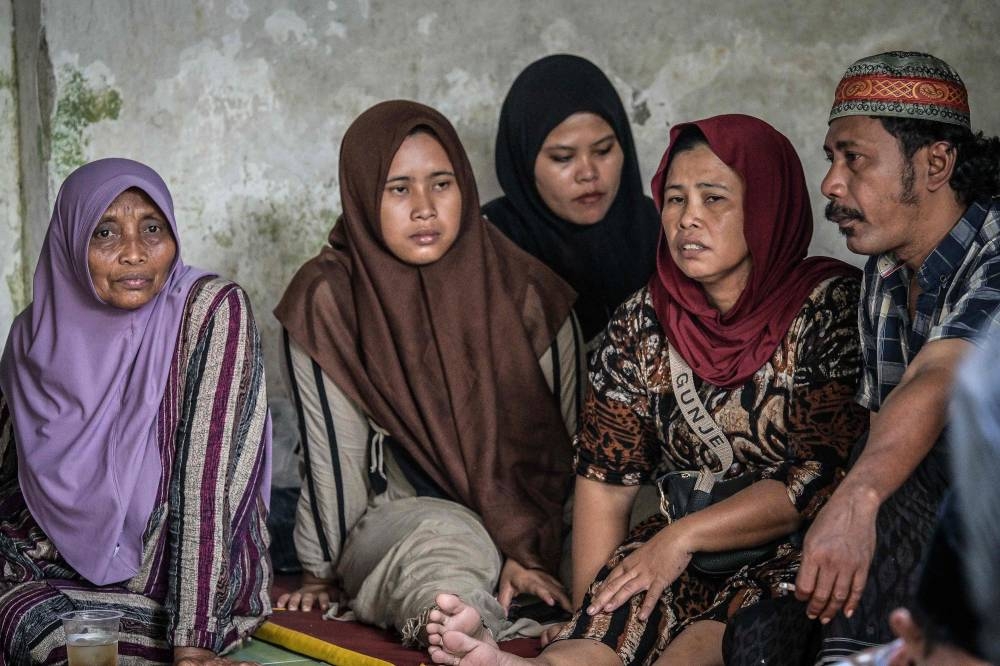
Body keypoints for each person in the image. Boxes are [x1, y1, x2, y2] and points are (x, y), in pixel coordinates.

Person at [425, 114, 866, 666]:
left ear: (767, 206)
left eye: (713, 199)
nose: (688, 220)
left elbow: (816, 478)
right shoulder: (643, 320)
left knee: (706, 643)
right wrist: (592, 613)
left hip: (792, 551)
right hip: (675, 546)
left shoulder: (830, 310)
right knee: (611, 626)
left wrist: (680, 539)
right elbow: (606, 480)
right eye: (676, 200)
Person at [272, 100, 583, 646]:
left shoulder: (529, 293)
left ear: (465, 184)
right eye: (398, 189)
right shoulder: (330, 300)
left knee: (650, 517)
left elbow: (578, 451)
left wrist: (533, 551)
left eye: (441, 184)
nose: (424, 208)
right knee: (446, 544)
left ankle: (520, 594)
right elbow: (334, 460)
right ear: (364, 197)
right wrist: (319, 571)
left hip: (539, 515)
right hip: (406, 513)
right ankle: (455, 622)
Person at [0, 159, 273, 665]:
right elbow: (10, 476)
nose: (134, 252)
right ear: (70, 243)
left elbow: (207, 485)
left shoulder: (211, 311)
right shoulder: (32, 335)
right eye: (105, 232)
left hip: (173, 579)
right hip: (45, 561)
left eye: (152, 228)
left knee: (55, 643)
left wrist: (194, 643)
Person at [790, 51, 1000, 662]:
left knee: (894, 480)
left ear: (935, 163)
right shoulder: (884, 273)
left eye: (853, 158)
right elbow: (886, 426)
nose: (831, 182)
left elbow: (937, 380)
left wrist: (856, 501)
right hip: (934, 533)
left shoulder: (995, 252)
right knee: (762, 633)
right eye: (832, 159)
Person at [483, 54, 660, 349]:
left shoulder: (662, 229)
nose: (588, 173)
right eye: (563, 158)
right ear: (524, 163)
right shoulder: (491, 246)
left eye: (603, 151)